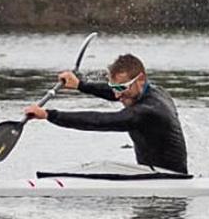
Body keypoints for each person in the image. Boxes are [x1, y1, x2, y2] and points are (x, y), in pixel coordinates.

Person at [23, 54, 188, 174]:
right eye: (115, 88)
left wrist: (49, 115)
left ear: (141, 79)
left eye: (121, 88)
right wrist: (80, 85)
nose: (117, 95)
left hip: (167, 180)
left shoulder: (147, 112)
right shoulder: (154, 91)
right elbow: (114, 91)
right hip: (152, 174)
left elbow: (100, 121)